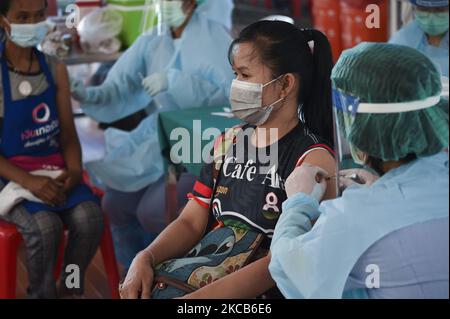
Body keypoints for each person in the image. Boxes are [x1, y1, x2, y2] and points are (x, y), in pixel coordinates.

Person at [118, 20, 337, 299]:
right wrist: (145, 257)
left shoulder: (313, 159)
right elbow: (190, 222)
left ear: (284, 85)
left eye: (245, 75)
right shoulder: (229, 142)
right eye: (234, 74)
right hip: (208, 275)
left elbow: (282, 262)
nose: (235, 85)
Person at [269, 42, 449, 299]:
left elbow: (287, 269)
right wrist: (381, 191)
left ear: (361, 126)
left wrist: (298, 202)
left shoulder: (352, 219)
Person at [70, 0, 235, 268]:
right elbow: (119, 87)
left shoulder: (215, 39)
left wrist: (177, 82)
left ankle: (167, 278)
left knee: (153, 212)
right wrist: (84, 93)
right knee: (115, 205)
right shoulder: (153, 39)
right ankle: (131, 279)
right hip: (160, 139)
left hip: (200, 147)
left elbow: (231, 99)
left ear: (192, 3)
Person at [0, 0, 104, 298]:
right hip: (9, 176)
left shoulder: (54, 68)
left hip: (54, 167)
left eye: (37, 16)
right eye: (22, 17)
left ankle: (70, 288)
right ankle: (41, 294)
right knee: (45, 228)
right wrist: (30, 181)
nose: (32, 24)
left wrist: (73, 171)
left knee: (90, 219)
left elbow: (69, 134)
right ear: (3, 21)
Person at [390, 0, 449, 77]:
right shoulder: (401, 42)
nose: (431, 18)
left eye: (439, 10)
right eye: (424, 9)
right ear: (414, 9)